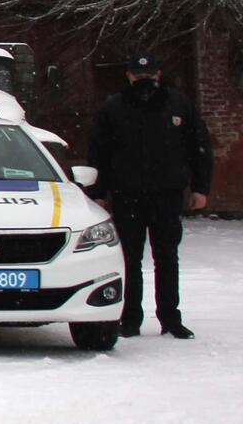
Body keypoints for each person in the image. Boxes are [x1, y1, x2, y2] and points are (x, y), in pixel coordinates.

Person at [87, 52, 213, 339]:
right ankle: (130, 319)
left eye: (148, 75)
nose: (143, 79)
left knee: (167, 257)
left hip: (167, 194)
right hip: (126, 193)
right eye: (137, 75)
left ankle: (170, 318)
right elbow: (99, 153)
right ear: (129, 76)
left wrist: (200, 188)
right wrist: (98, 192)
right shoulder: (114, 108)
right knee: (129, 259)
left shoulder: (179, 105)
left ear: (158, 75)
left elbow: (199, 148)